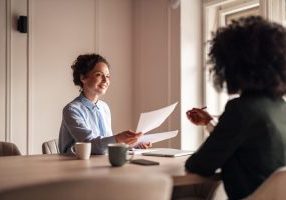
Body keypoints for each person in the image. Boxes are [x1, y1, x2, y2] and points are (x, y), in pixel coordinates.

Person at [185, 16, 286, 200]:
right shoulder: (280, 108)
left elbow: (199, 165)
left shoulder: (241, 109)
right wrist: (210, 122)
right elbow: (249, 144)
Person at [59, 54, 151, 155]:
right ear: (83, 77)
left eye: (107, 76)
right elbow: (90, 146)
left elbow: (106, 147)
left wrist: (132, 145)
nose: (105, 80)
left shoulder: (104, 107)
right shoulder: (72, 110)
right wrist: (118, 138)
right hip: (74, 166)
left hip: (99, 164)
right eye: (99, 74)